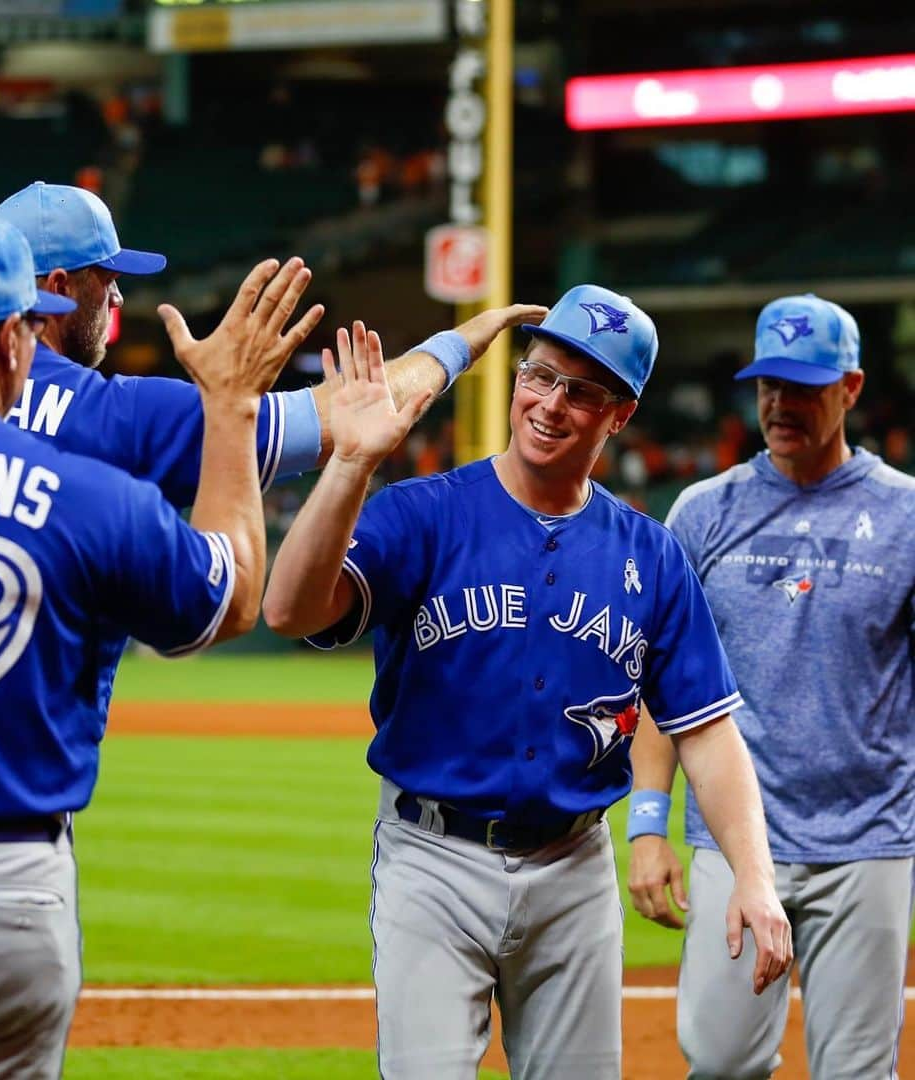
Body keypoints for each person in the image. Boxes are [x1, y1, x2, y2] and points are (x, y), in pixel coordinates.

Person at [262, 286, 793, 1080]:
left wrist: (755, 878)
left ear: (621, 414)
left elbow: (707, 732)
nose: (549, 404)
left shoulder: (651, 556)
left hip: (573, 870)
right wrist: (348, 466)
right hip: (432, 862)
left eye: (581, 392)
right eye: (538, 377)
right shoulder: (425, 514)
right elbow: (290, 609)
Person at [0, 207, 292, 1076]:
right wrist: (229, 410)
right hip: (0, 892)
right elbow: (226, 600)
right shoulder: (84, 494)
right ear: (16, 340)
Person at [0, 180, 545, 710]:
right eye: (105, 279)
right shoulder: (116, 420)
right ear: (52, 290)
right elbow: (347, 418)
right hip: (9, 835)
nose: (116, 299)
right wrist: (455, 346)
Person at [628, 293, 914, 1080]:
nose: (781, 405)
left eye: (805, 387)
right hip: (734, 837)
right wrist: (648, 825)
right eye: (768, 386)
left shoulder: (904, 515)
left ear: (851, 388)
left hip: (870, 839)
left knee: (857, 1071)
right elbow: (661, 683)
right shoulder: (704, 512)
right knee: (719, 1062)